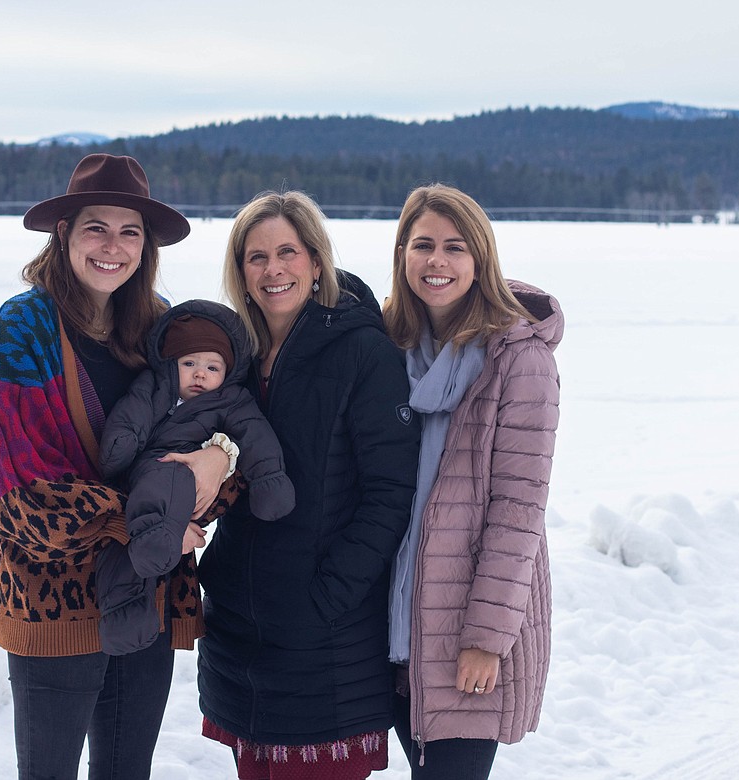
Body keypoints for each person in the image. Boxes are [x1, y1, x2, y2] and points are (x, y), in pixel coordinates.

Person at [0, 153, 232, 780]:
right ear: (63, 232)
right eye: (97, 227)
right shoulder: (24, 328)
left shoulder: (160, 327)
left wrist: (218, 458)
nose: (113, 246)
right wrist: (149, 525)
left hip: (145, 591)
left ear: (146, 246)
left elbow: (217, 418)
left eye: (130, 232)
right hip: (53, 593)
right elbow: (23, 490)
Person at [196, 190, 421, 779]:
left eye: (288, 253)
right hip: (242, 637)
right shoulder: (232, 358)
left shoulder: (362, 352)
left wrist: (326, 597)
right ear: (240, 272)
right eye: (257, 257)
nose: (274, 270)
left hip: (326, 642)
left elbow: (390, 492)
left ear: (316, 262)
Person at [383, 184, 562, 779]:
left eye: (455, 247)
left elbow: (519, 509)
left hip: (467, 624)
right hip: (393, 617)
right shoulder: (391, 348)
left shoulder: (518, 357)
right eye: (424, 245)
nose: (437, 262)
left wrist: (485, 638)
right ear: (402, 253)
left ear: (480, 260)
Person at [95, 299, 296, 656]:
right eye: (189, 363)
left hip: (180, 473)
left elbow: (256, 436)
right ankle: (123, 616)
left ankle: (157, 541)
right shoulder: (154, 386)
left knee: (168, 484)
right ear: (171, 364)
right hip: (136, 476)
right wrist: (119, 445)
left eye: (212, 366)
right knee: (119, 555)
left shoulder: (231, 401)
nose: (200, 374)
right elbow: (131, 413)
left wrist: (269, 478)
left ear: (229, 371)